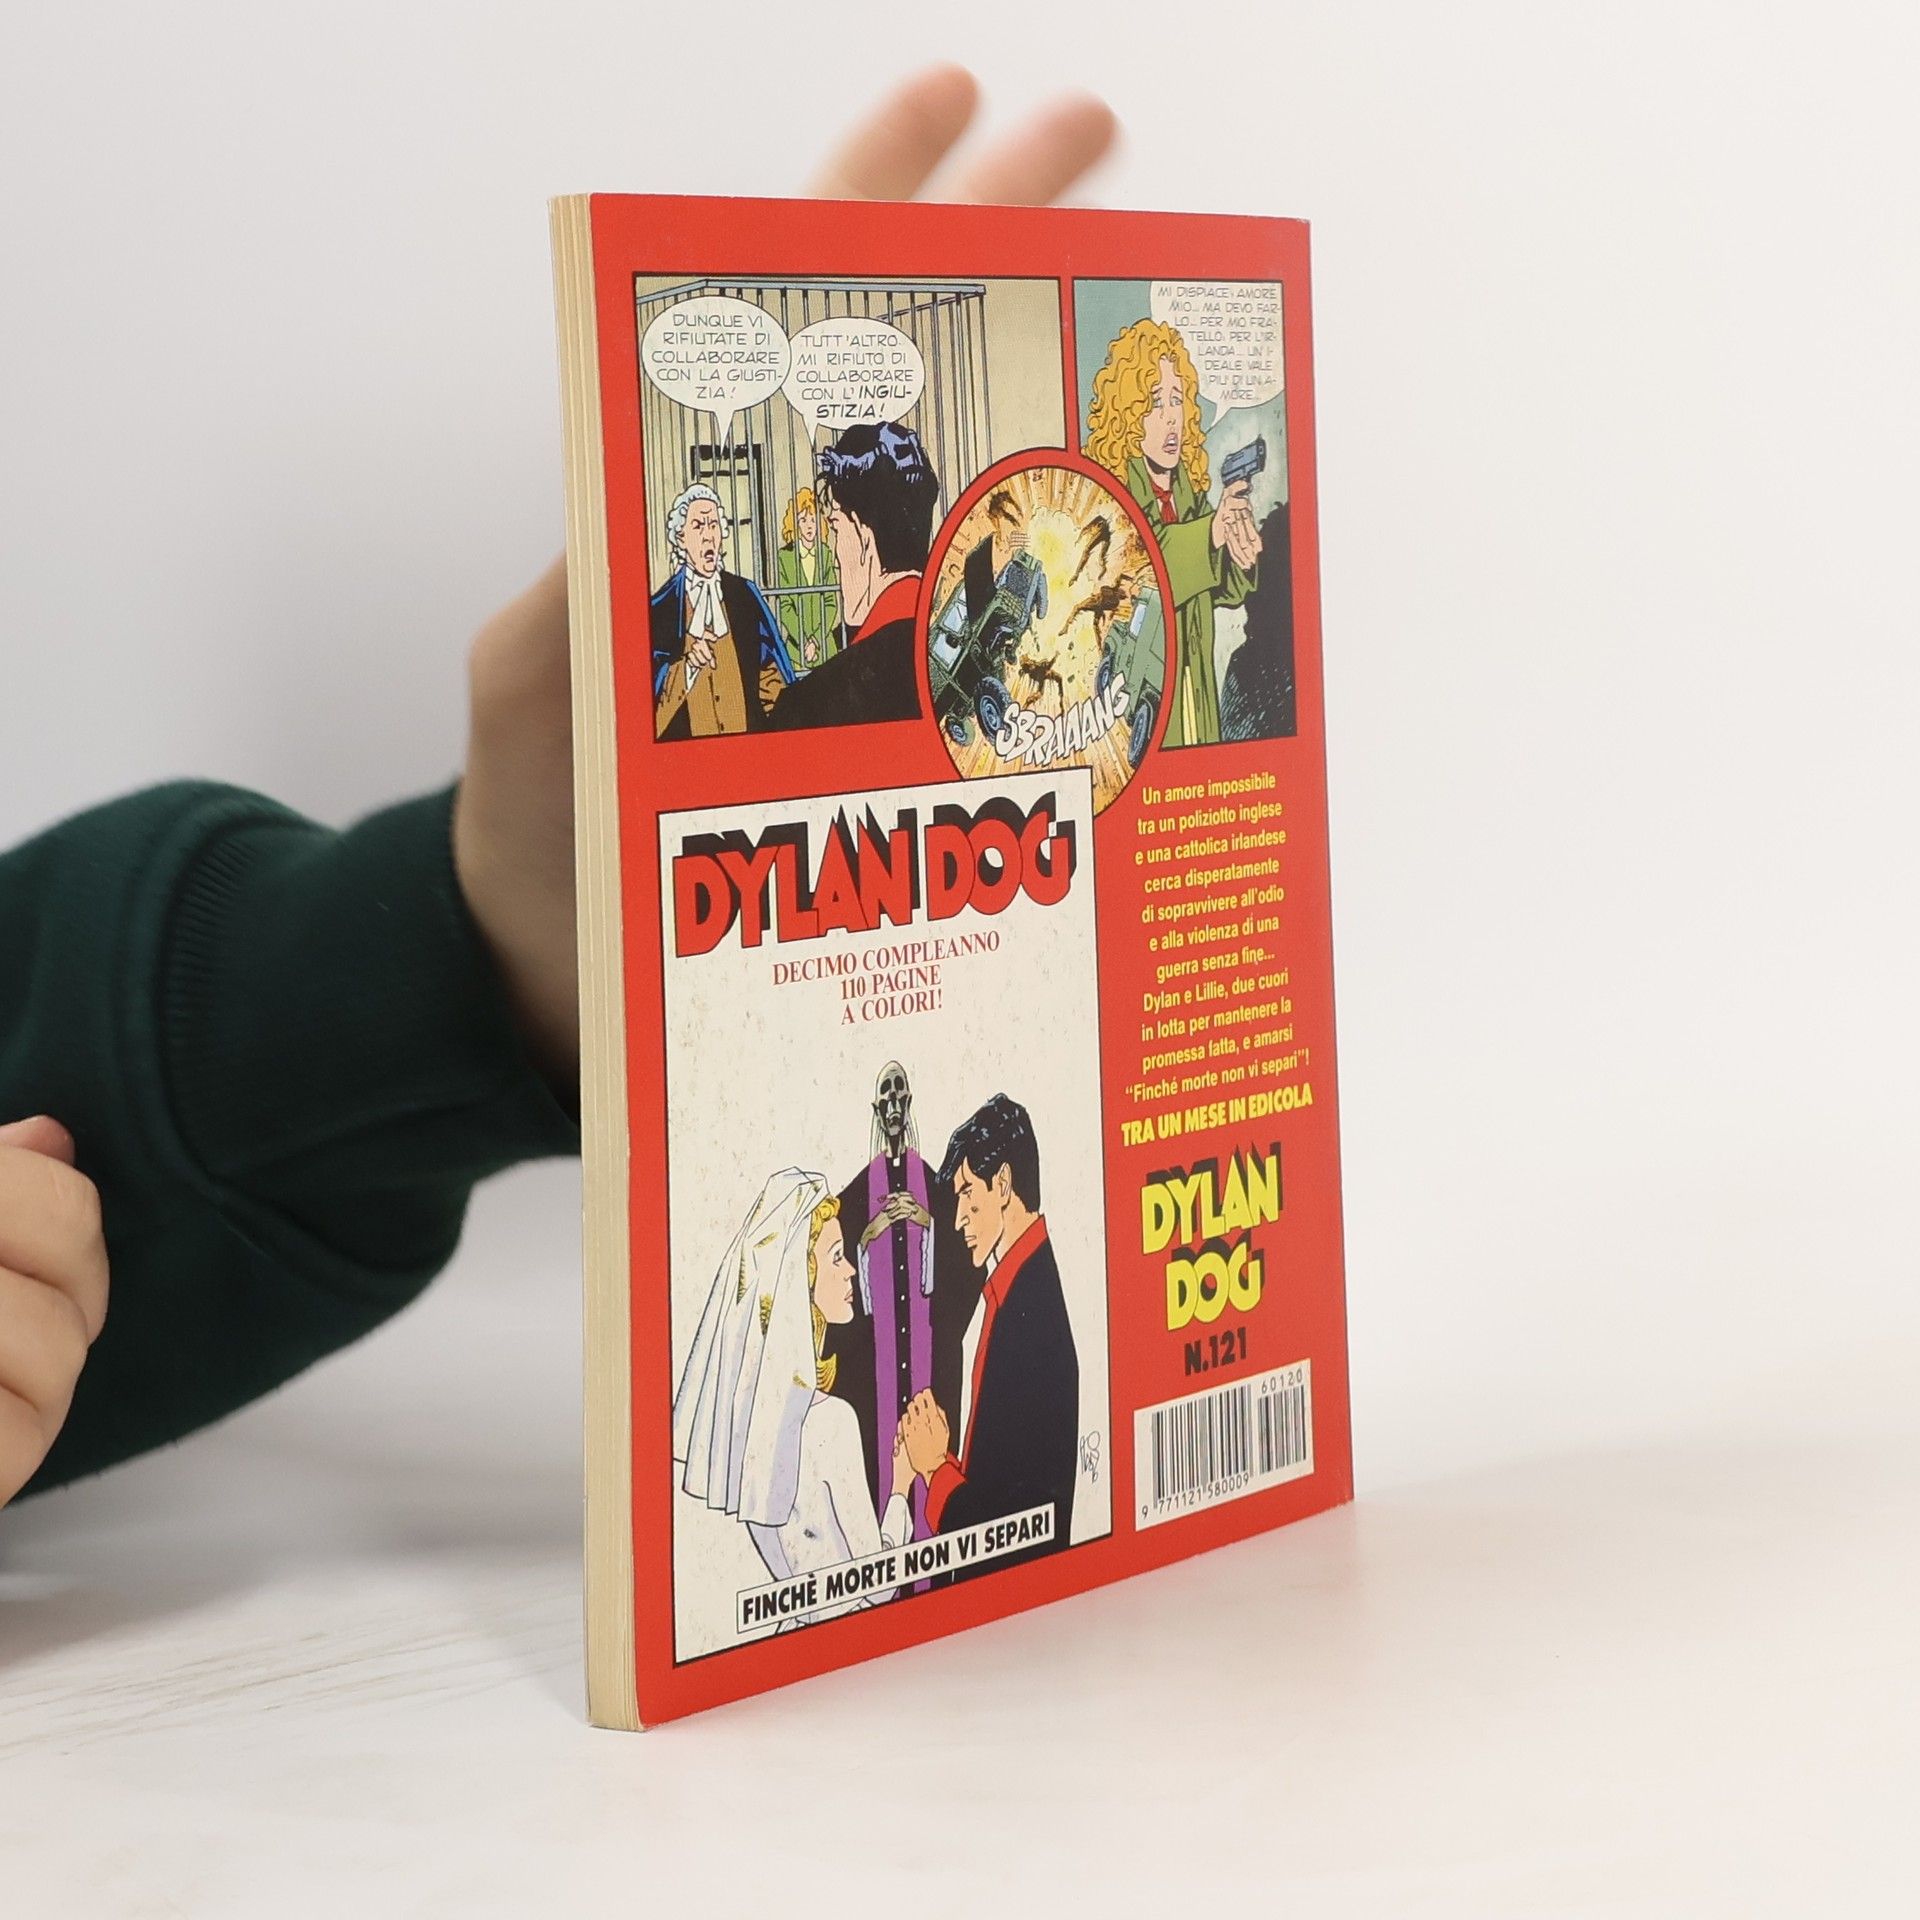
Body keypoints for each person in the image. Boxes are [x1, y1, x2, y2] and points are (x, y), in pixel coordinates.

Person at [0, 66, 1119, 1514]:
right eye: (702, 528)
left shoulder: (806, 662)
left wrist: (473, 946)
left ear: (846, 535)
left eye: (788, 530)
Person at [671, 1171, 915, 1627]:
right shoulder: (831, 1421)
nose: (850, 1271)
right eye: (837, 1257)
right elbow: (879, 1584)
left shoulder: (745, 1426)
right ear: (798, 1283)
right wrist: (901, 1487)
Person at [897, 1094, 1078, 1578]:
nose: (958, 1218)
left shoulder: (1031, 1311)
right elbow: (1004, 1481)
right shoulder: (1020, 1288)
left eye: (966, 1193)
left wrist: (935, 1468)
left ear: (1002, 1184)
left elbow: (1011, 1532)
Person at [1085, 318, 1263, 748]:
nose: (1171, 419)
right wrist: (1213, 532)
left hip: (1195, 691)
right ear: (1128, 417)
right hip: (1143, 691)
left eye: (1177, 400)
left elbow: (1221, 592)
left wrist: (1240, 552)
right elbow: (1148, 567)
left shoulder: (1188, 495)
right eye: (1155, 403)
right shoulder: (1115, 495)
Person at [765, 421, 940, 731]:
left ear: (862, 534)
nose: (834, 556)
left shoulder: (811, 704)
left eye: (835, 527)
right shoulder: (960, 663)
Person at [650, 483, 794, 737]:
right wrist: (687, 667)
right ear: (681, 538)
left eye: (713, 524)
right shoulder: (663, 607)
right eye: (698, 525)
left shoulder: (744, 594)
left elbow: (770, 672)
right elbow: (651, 706)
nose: (708, 535)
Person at [773, 486, 840, 671]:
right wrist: (804, 642)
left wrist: (816, 641)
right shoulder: (785, 557)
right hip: (796, 650)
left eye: (813, 519)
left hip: (826, 648)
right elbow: (785, 606)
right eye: (803, 520)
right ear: (794, 524)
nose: (809, 525)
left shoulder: (825, 553)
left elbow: (831, 603)